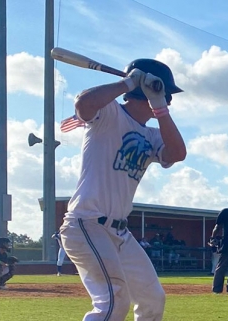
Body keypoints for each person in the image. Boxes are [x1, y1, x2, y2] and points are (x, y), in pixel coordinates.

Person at [58, 58, 187, 321]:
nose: (168, 98)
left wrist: (160, 107)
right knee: (113, 303)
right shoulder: (110, 113)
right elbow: (84, 105)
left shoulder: (152, 136)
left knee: (152, 299)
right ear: (140, 91)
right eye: (165, 93)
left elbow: (177, 153)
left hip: (119, 232)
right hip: (86, 222)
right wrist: (127, 82)